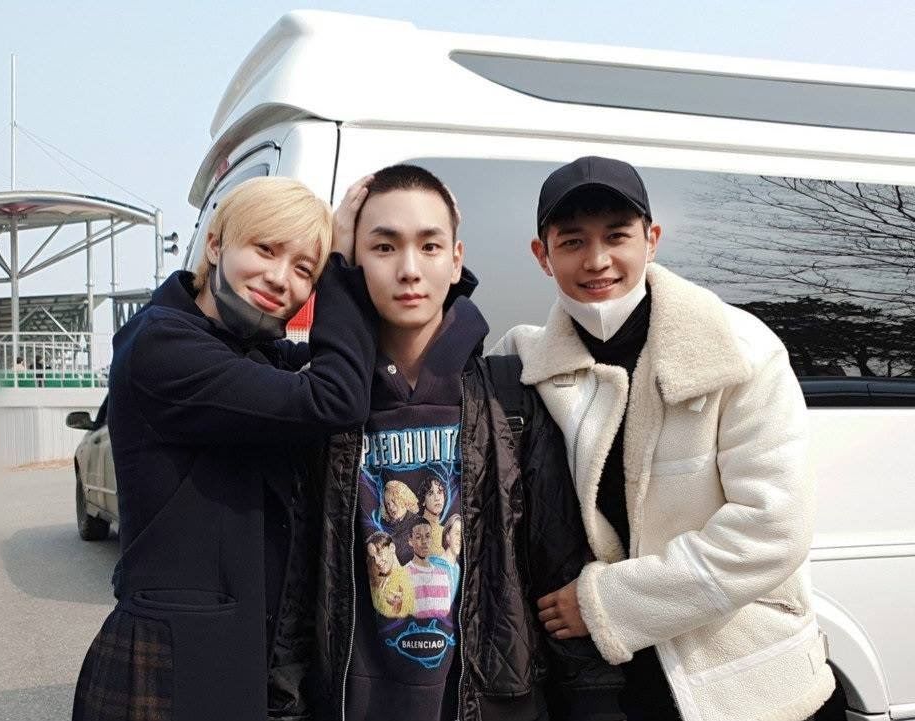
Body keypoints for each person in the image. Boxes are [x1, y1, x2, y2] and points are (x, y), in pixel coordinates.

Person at [493, 156, 835, 721]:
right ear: (542, 255)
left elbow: (773, 528)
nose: (597, 260)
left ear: (651, 239)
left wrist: (606, 603)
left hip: (740, 679)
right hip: (595, 685)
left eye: (617, 236)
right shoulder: (522, 364)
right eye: (573, 241)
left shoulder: (739, 349)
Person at [309, 165, 611, 721]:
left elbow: (557, 572)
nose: (408, 269)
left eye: (429, 246)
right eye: (383, 247)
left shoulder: (510, 396)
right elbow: (294, 589)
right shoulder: (322, 406)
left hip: (493, 701)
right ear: (353, 261)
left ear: (455, 260)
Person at [71, 176, 377, 721]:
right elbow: (334, 398)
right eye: (265, 249)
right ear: (215, 245)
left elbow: (341, 373)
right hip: (174, 671)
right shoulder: (164, 344)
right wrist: (339, 270)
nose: (279, 278)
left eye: (304, 270)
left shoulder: (245, 350)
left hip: (243, 664)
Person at [367, 531, 415, 618]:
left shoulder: (413, 576)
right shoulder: (374, 586)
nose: (377, 561)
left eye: (379, 553)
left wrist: (399, 607)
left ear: (392, 548)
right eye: (373, 557)